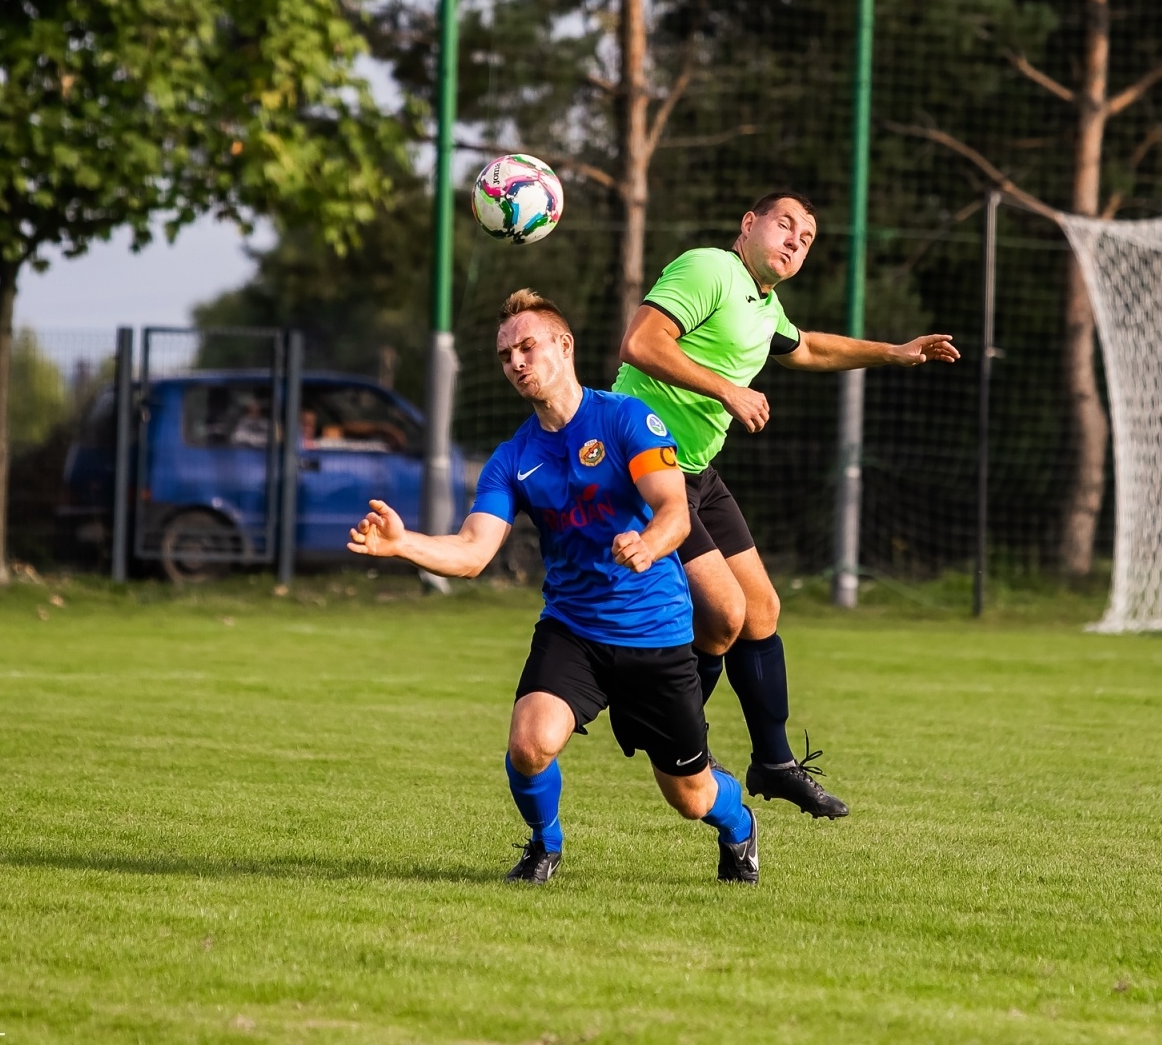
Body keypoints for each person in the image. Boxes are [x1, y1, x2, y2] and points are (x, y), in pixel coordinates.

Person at [348, 288, 760, 884]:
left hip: (655, 632)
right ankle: (545, 846)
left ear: (563, 347)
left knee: (691, 797)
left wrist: (650, 544)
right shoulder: (513, 458)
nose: (516, 362)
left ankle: (740, 825)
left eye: (527, 346)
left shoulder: (625, 418)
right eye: (505, 355)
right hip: (574, 629)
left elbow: (673, 507)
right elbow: (472, 551)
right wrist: (402, 542)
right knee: (529, 742)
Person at [612, 191, 960, 819]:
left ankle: (772, 764)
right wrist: (729, 391)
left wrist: (895, 351)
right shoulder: (709, 269)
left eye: (808, 236)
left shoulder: (762, 303)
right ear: (749, 225)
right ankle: (661, 726)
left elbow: (807, 348)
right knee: (722, 615)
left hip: (694, 471)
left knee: (762, 610)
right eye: (786, 224)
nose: (798, 239)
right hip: (642, 463)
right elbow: (640, 343)